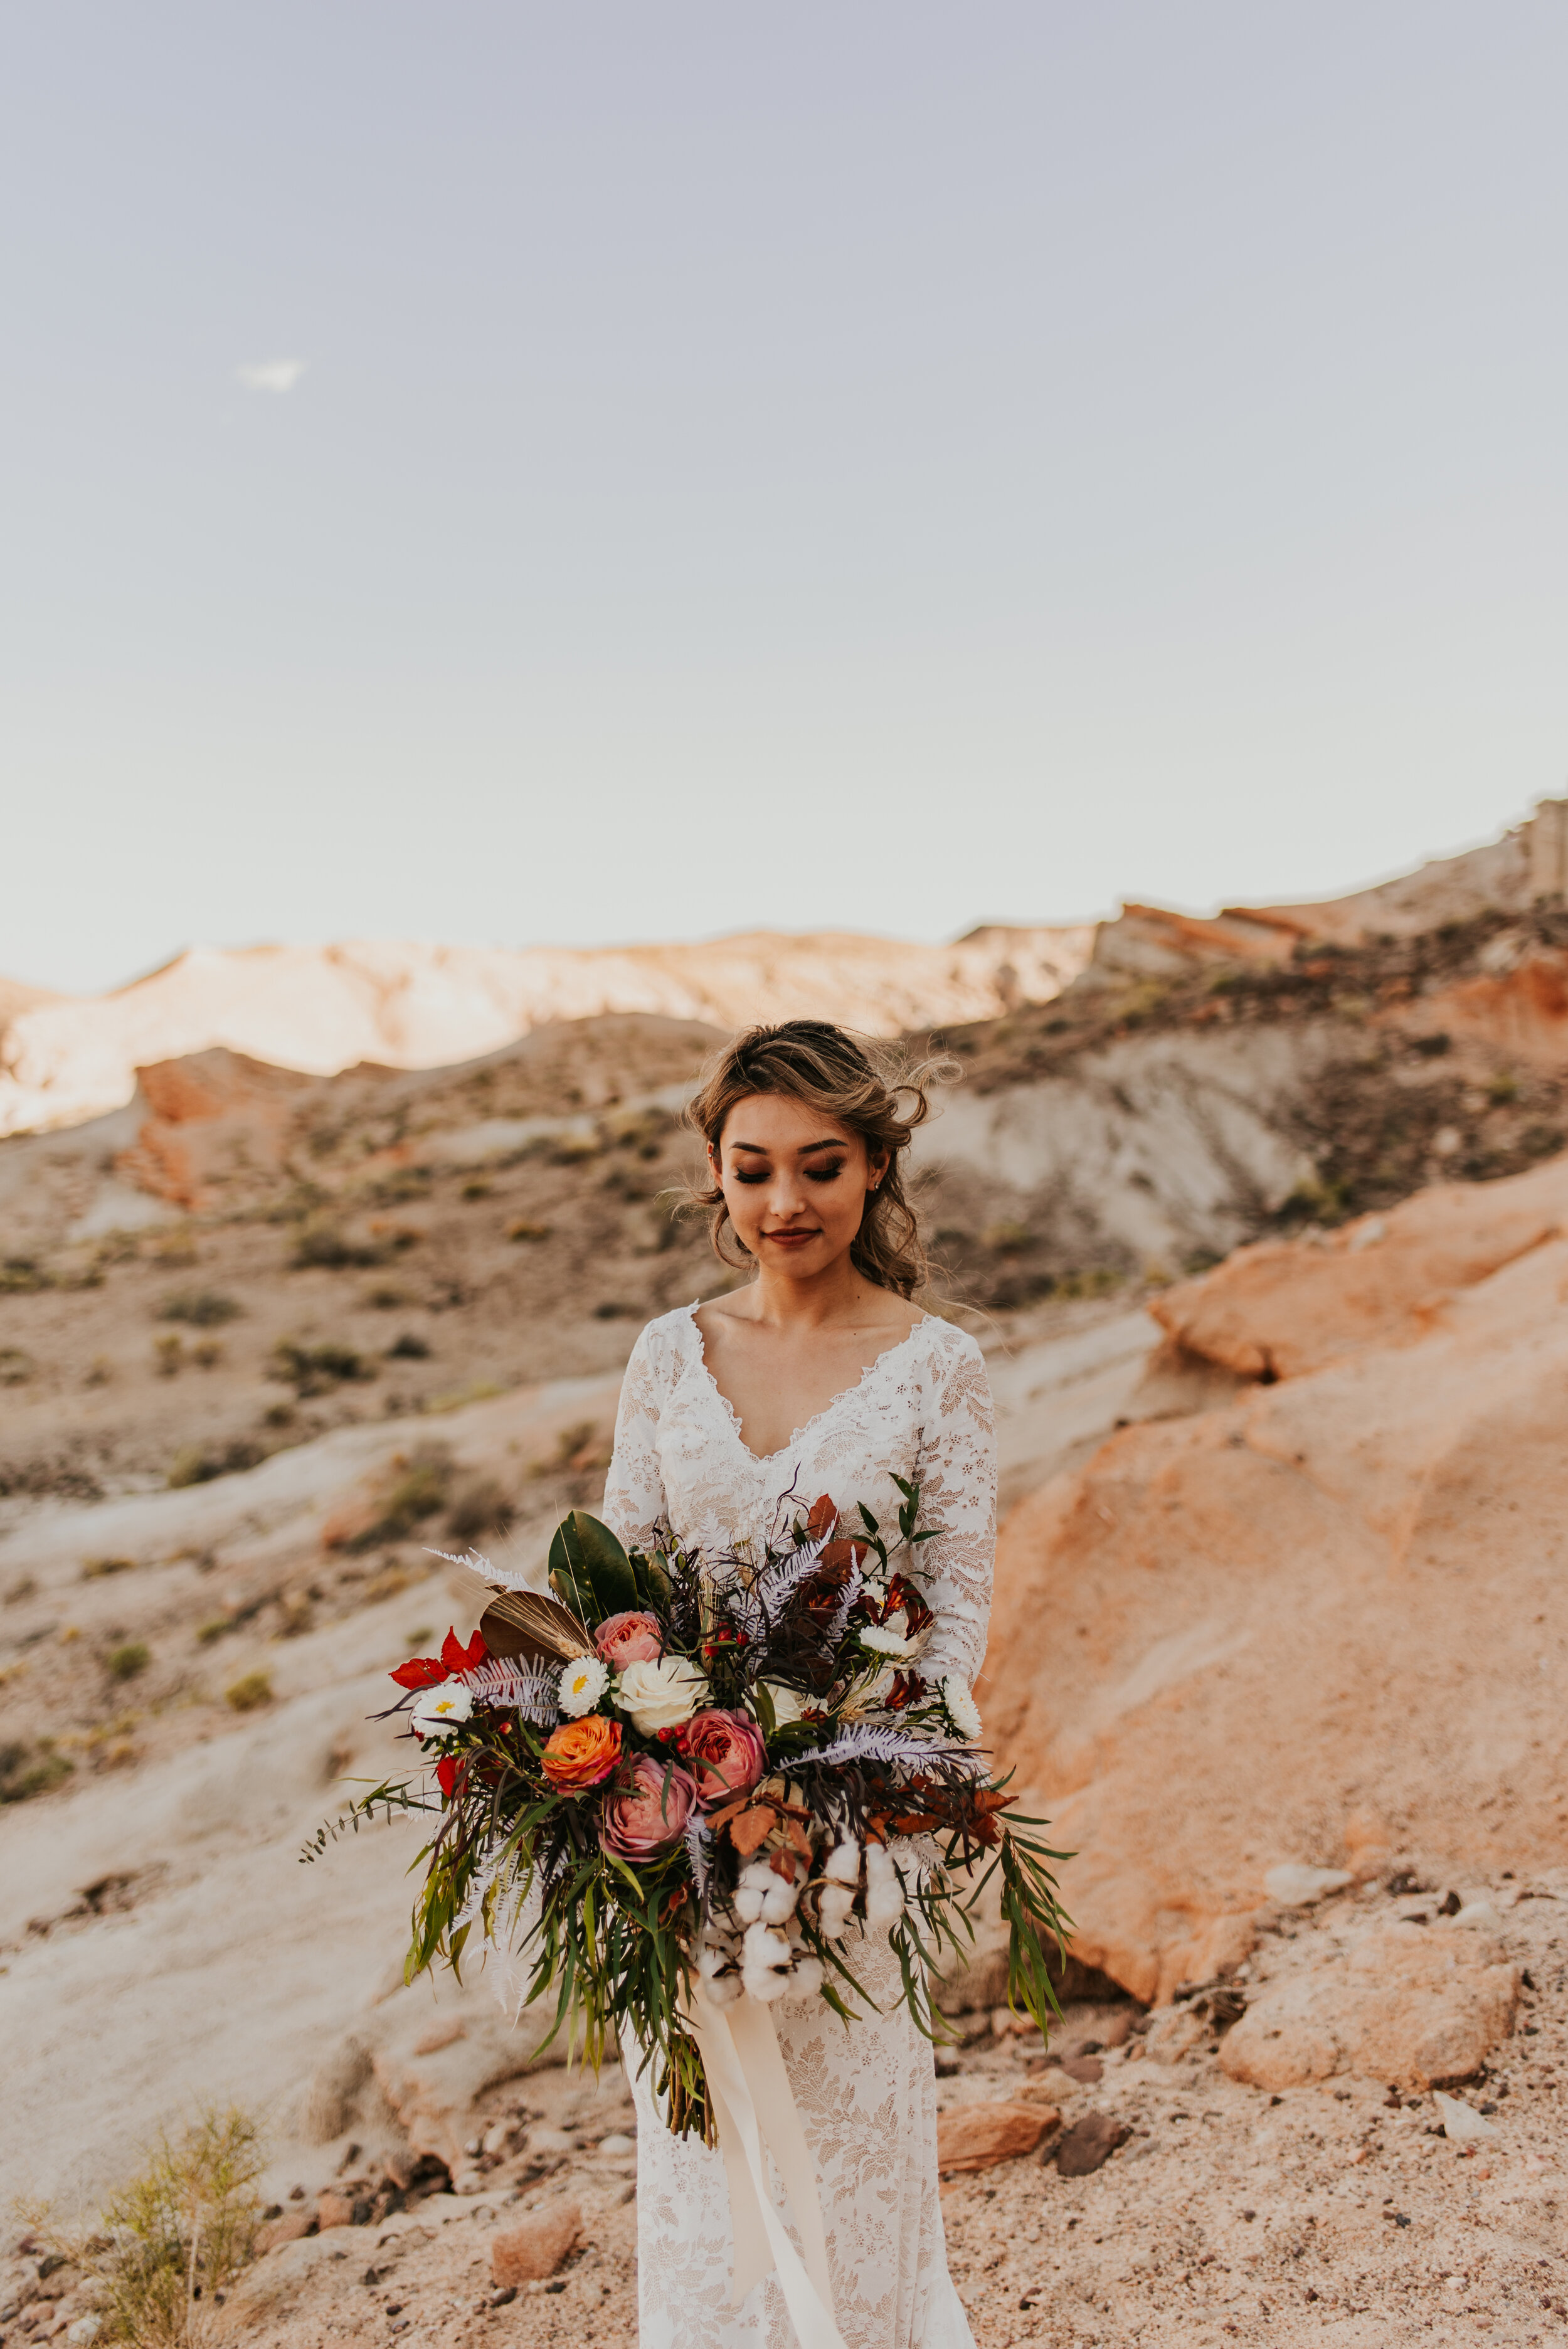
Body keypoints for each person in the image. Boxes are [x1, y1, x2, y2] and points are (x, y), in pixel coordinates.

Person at [600, 1019, 995, 2349]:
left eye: (820, 1166)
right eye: (752, 1166)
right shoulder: (667, 1354)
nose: (785, 1202)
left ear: (876, 1166)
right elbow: (620, 1596)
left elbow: (950, 1619)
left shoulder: (938, 1367)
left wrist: (864, 1795)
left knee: (849, 2159)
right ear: (712, 1172)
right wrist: (635, 1783)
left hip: (853, 1850)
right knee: (710, 2174)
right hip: (676, 1843)